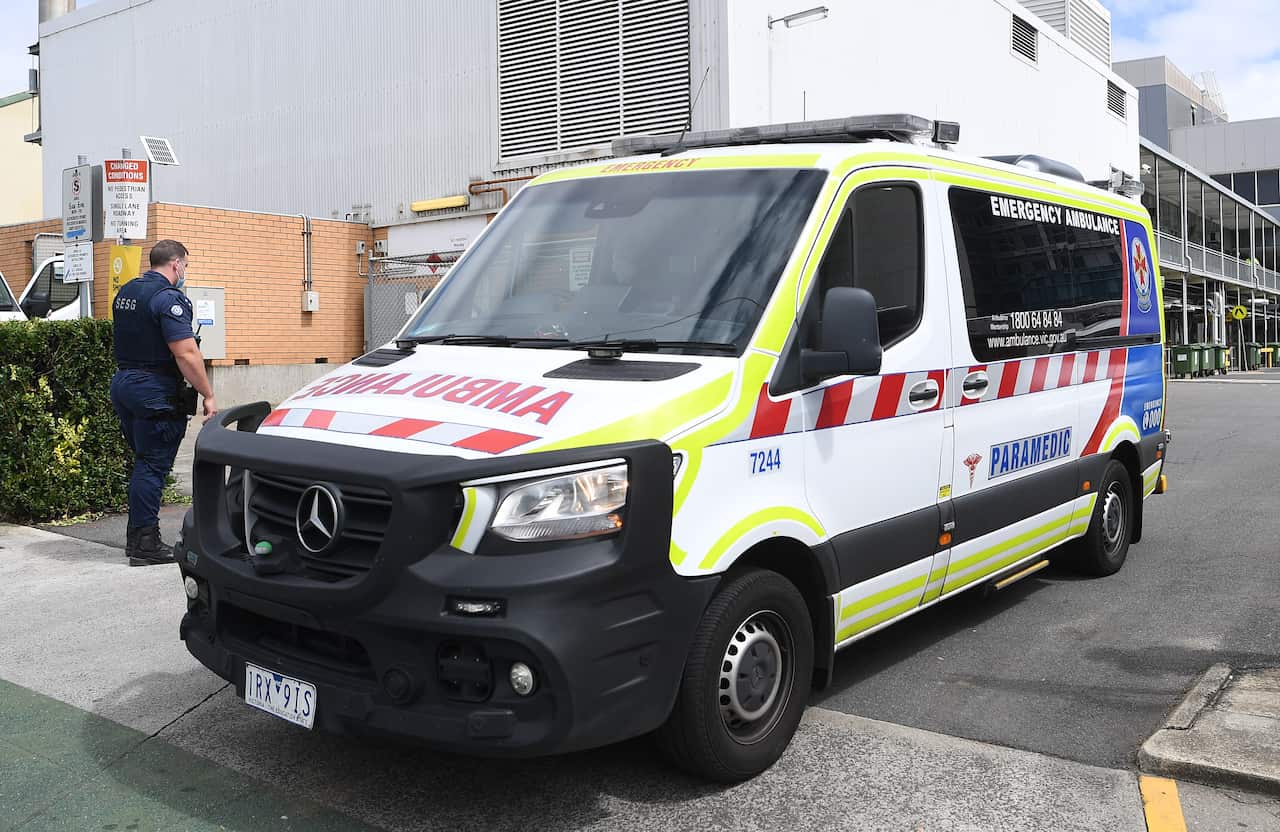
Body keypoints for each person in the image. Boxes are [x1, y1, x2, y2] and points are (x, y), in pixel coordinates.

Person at [109, 240, 217, 566]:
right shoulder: (168, 299)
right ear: (176, 264)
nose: (185, 271)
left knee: (144, 462)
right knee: (153, 466)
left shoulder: (127, 291)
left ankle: (136, 538)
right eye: (185, 265)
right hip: (153, 390)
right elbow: (185, 352)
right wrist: (208, 394)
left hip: (124, 384)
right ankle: (145, 544)